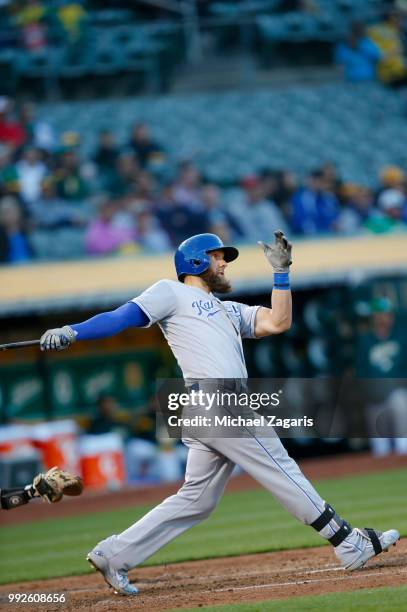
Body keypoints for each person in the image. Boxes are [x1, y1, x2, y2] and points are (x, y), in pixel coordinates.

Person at [39, 231, 399, 596]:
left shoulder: (226, 309)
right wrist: (73, 330)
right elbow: (123, 317)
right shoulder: (171, 291)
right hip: (217, 402)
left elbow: (278, 322)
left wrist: (282, 274)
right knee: (280, 466)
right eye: (217, 256)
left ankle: (114, 555)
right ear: (195, 261)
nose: (224, 263)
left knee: (197, 499)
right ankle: (348, 541)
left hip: (208, 407)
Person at [356, 297, 407, 456]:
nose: (385, 318)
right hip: (374, 395)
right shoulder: (365, 340)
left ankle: (403, 449)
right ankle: (381, 458)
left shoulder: (400, 337)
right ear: (374, 316)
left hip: (395, 390)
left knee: (400, 402)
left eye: (387, 314)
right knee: (379, 439)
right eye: (381, 314)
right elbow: (361, 371)